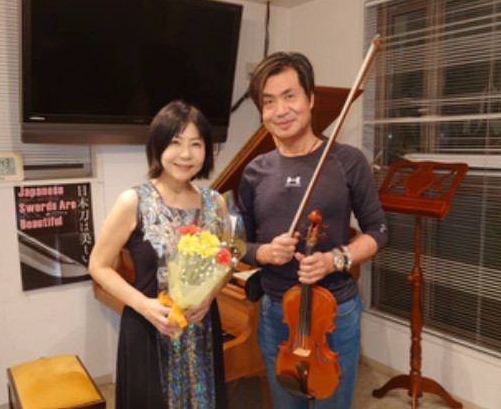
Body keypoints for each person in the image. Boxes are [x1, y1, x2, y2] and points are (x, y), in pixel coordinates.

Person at [238, 52, 388, 409]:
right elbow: (236, 245)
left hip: (335, 312)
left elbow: (379, 230)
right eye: (269, 102)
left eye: (289, 96)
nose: (280, 110)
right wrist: (264, 252)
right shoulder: (254, 171)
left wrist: (337, 258)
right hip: (276, 313)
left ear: (310, 98)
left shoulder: (347, 161)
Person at [89, 100, 229, 409]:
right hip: (148, 327)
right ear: (158, 145)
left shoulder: (215, 203)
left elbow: (225, 263)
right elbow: (98, 265)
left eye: (196, 144)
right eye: (175, 142)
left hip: (201, 328)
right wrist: (145, 306)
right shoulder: (134, 201)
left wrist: (209, 296)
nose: (186, 154)